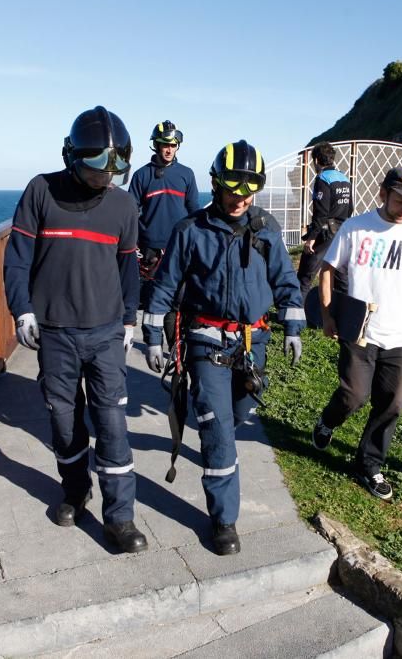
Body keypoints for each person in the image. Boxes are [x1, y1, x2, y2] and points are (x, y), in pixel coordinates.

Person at [142, 140, 305, 555]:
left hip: (253, 342)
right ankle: (224, 519)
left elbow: (285, 281)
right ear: (216, 185)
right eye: (234, 188)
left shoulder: (266, 229)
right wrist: (152, 336)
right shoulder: (190, 231)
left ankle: (221, 453)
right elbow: (163, 288)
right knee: (216, 431)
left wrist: (293, 326)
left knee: (237, 415)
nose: (241, 198)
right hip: (206, 341)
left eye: (249, 190)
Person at [3, 106, 147, 554]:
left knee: (113, 426)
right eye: (97, 168)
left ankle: (120, 517)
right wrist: (22, 310)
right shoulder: (40, 191)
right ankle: (74, 490)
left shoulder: (124, 205)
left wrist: (130, 318)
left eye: (114, 169)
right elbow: (18, 258)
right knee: (64, 423)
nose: (106, 178)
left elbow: (128, 267)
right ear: (71, 157)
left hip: (105, 332)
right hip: (54, 333)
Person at [311, 167, 402, 501]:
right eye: (401, 200)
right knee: (354, 395)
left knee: (392, 404)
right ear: (382, 193)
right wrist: (327, 315)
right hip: (360, 331)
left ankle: (369, 464)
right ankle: (327, 421)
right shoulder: (356, 227)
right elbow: (327, 270)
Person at [128, 120, 199, 340]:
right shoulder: (141, 175)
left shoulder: (186, 174)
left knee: (178, 303)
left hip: (179, 249)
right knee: (153, 303)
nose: (169, 149)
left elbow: (194, 212)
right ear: (156, 145)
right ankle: (152, 344)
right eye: (164, 144)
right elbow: (131, 212)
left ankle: (175, 351)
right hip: (149, 252)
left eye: (173, 144)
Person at [296, 142, 353, 303]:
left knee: (305, 275)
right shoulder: (344, 178)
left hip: (325, 232)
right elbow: (350, 208)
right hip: (342, 232)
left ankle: (297, 316)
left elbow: (321, 213)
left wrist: (311, 238)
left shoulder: (323, 179)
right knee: (341, 276)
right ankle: (346, 312)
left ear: (316, 161)